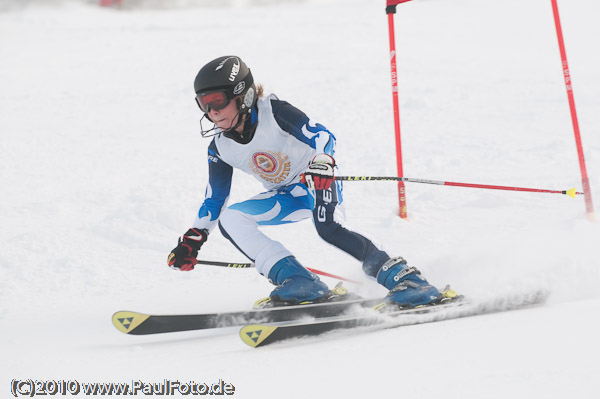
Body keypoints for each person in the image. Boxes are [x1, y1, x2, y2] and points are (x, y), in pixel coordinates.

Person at [167, 55, 441, 307]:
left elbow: (322, 135)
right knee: (232, 219)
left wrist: (323, 161)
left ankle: (408, 280)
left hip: (318, 180)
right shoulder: (220, 146)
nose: (212, 111)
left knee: (329, 227)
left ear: (244, 95)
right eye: (204, 104)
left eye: (217, 101)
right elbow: (215, 199)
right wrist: (193, 239)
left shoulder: (273, 112)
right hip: (286, 196)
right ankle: (300, 282)